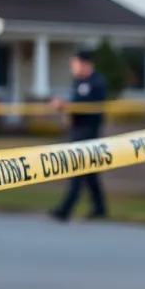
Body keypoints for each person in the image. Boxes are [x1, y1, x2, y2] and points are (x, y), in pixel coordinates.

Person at [49, 49, 108, 222]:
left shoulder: (96, 82)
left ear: (84, 63)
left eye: (74, 63)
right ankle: (100, 208)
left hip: (88, 134)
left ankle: (64, 210)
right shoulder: (77, 82)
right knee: (90, 174)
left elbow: (83, 105)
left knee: (77, 170)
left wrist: (65, 106)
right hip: (77, 132)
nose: (72, 67)